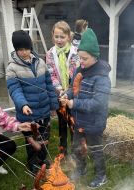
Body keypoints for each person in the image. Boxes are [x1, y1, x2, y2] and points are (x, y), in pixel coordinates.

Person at [60, 28, 111, 188]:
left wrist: (74, 104)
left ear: (95, 57)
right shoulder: (79, 70)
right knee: (77, 148)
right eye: (79, 57)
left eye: (85, 58)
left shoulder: (102, 78)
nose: (81, 61)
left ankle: (101, 176)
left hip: (94, 123)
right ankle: (81, 169)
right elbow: (73, 89)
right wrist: (67, 95)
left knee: (95, 150)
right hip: (79, 120)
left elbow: (98, 103)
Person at [6, 30, 58, 173]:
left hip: (44, 111)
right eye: (20, 49)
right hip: (28, 114)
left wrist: (53, 104)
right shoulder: (12, 68)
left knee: (44, 138)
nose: (24, 52)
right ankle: (33, 163)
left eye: (26, 49)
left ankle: (42, 159)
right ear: (16, 50)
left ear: (31, 47)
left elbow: (49, 85)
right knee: (32, 141)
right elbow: (14, 89)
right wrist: (23, 104)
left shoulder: (40, 62)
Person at [46, 21, 79, 156]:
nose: (59, 40)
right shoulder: (50, 53)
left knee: (73, 121)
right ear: (53, 36)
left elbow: (75, 73)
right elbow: (51, 73)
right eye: (56, 36)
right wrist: (59, 89)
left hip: (73, 93)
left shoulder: (75, 52)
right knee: (62, 122)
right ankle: (63, 150)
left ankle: (75, 148)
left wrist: (69, 90)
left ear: (68, 37)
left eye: (62, 37)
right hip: (59, 93)